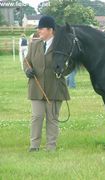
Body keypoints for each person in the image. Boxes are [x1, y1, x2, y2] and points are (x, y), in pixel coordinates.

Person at [23, 15, 70, 152]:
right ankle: (34, 146)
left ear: (51, 30)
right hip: (36, 88)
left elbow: (67, 66)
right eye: (38, 29)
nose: (39, 31)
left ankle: (51, 147)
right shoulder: (34, 44)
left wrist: (62, 69)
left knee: (52, 118)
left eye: (41, 29)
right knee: (37, 117)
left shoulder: (60, 46)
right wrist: (28, 71)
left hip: (55, 88)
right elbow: (26, 61)